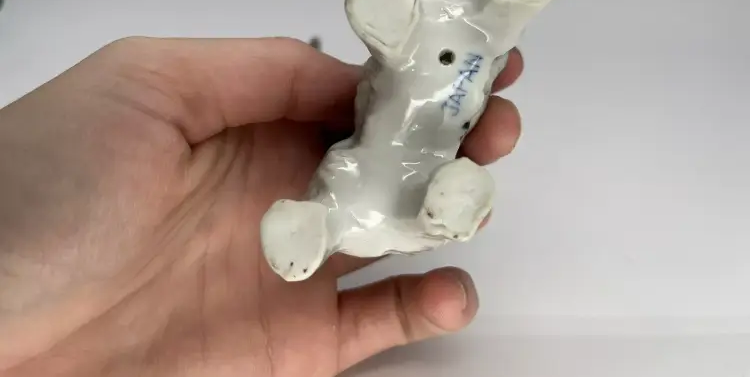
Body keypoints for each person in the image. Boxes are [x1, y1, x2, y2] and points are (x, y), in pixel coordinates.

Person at [0, 36, 524, 376]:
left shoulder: (479, 36)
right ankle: (328, 226)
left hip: (397, 184)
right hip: (363, 177)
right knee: (349, 190)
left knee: (394, 206)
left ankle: (426, 209)